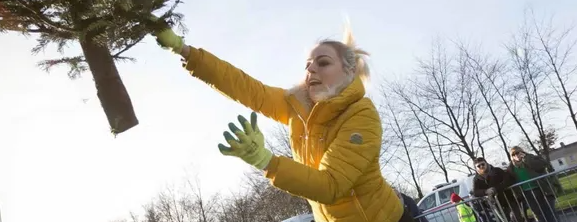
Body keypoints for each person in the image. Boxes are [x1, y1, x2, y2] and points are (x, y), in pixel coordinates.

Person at [154, 23, 409, 222]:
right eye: (308, 65)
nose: (311, 70)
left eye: (323, 63)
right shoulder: (298, 108)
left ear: (349, 71)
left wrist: (265, 161)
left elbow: (331, 185)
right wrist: (184, 50)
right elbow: (248, 89)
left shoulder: (361, 115)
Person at [507, 146, 559, 222]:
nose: (516, 155)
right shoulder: (511, 168)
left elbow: (542, 165)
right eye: (513, 154)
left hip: (542, 189)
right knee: (538, 214)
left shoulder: (531, 158)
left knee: (550, 212)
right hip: (527, 193)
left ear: (522, 152)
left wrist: (526, 159)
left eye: (518, 153)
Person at [471, 157, 523, 222]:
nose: (481, 166)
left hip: (509, 199)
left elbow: (508, 180)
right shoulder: (476, 179)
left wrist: (495, 189)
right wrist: (486, 191)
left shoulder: (497, 170)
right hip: (495, 204)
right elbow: (475, 192)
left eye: (483, 164)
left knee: (517, 219)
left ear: (486, 163)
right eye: (478, 166)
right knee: (504, 220)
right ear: (476, 168)